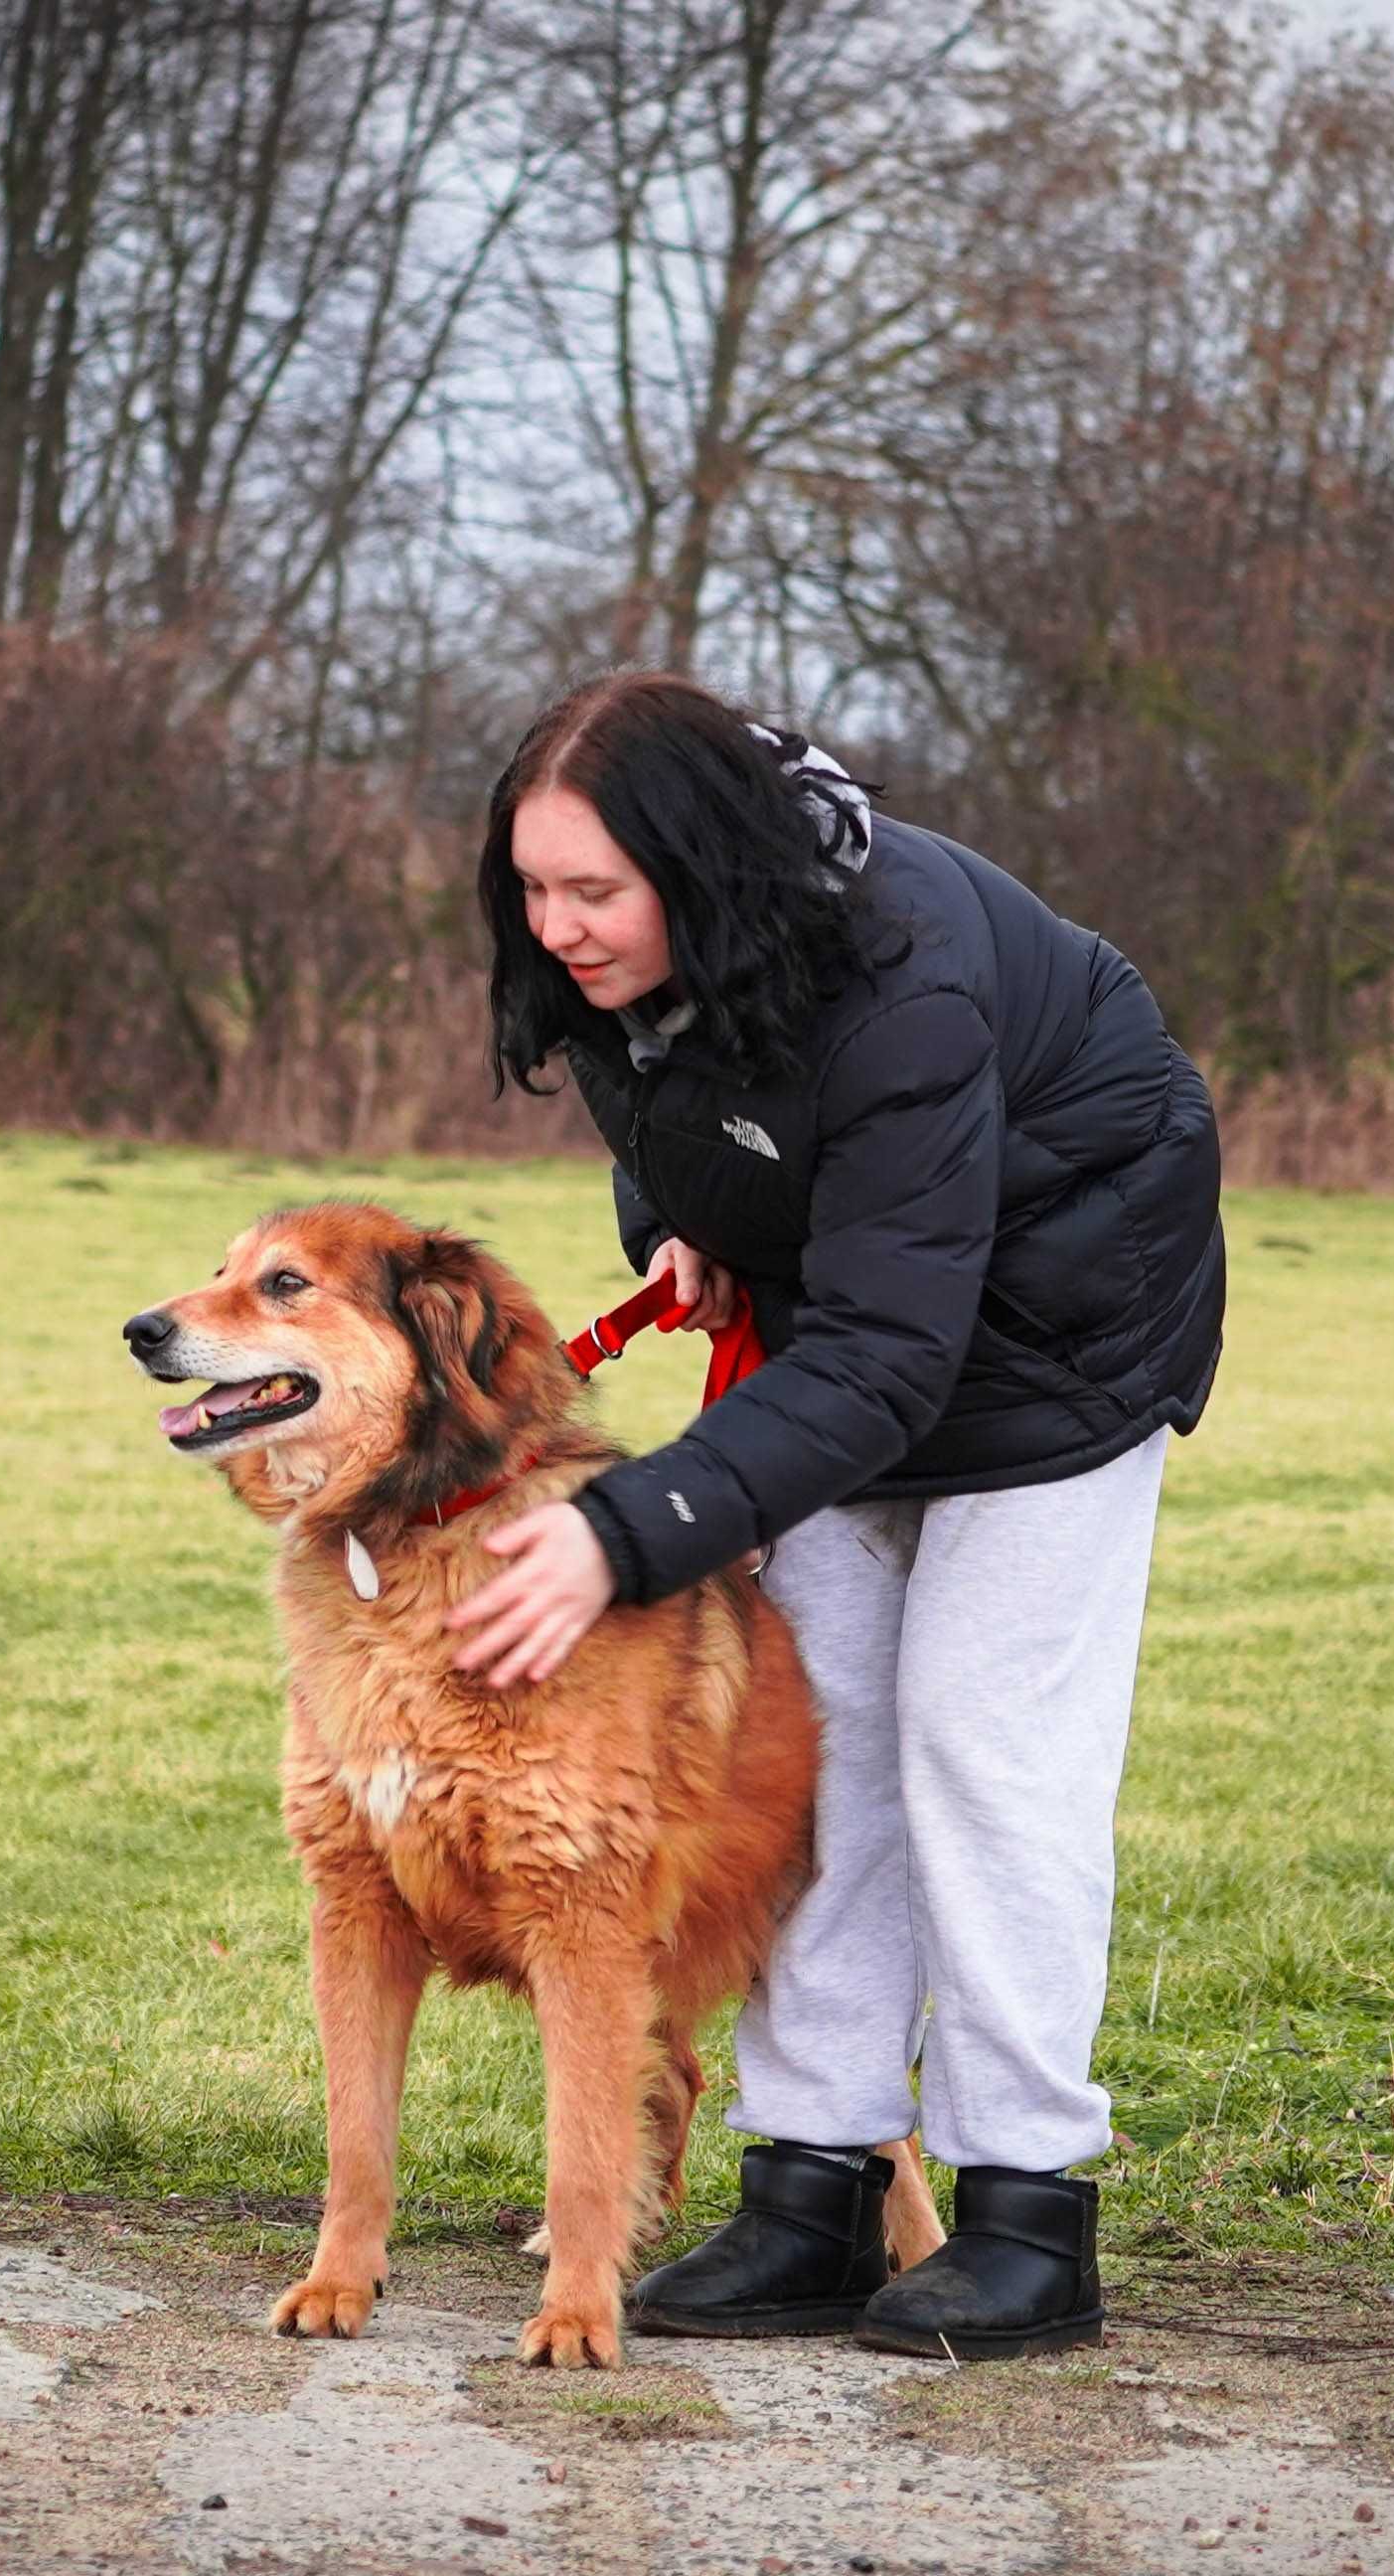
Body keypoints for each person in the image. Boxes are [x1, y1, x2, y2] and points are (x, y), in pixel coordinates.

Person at [440, 672, 1225, 2359]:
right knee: (824, 1739)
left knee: (981, 1742)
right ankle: (816, 2192)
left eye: (597, 892)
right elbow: (673, 1113)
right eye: (535, 888)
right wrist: (687, 1219)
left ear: (701, 873)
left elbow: (890, 1351)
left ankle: (1031, 2216)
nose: (560, 928)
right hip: (868, 1309)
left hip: (1063, 1328)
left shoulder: (900, 976)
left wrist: (619, 1529)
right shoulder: (618, 958)